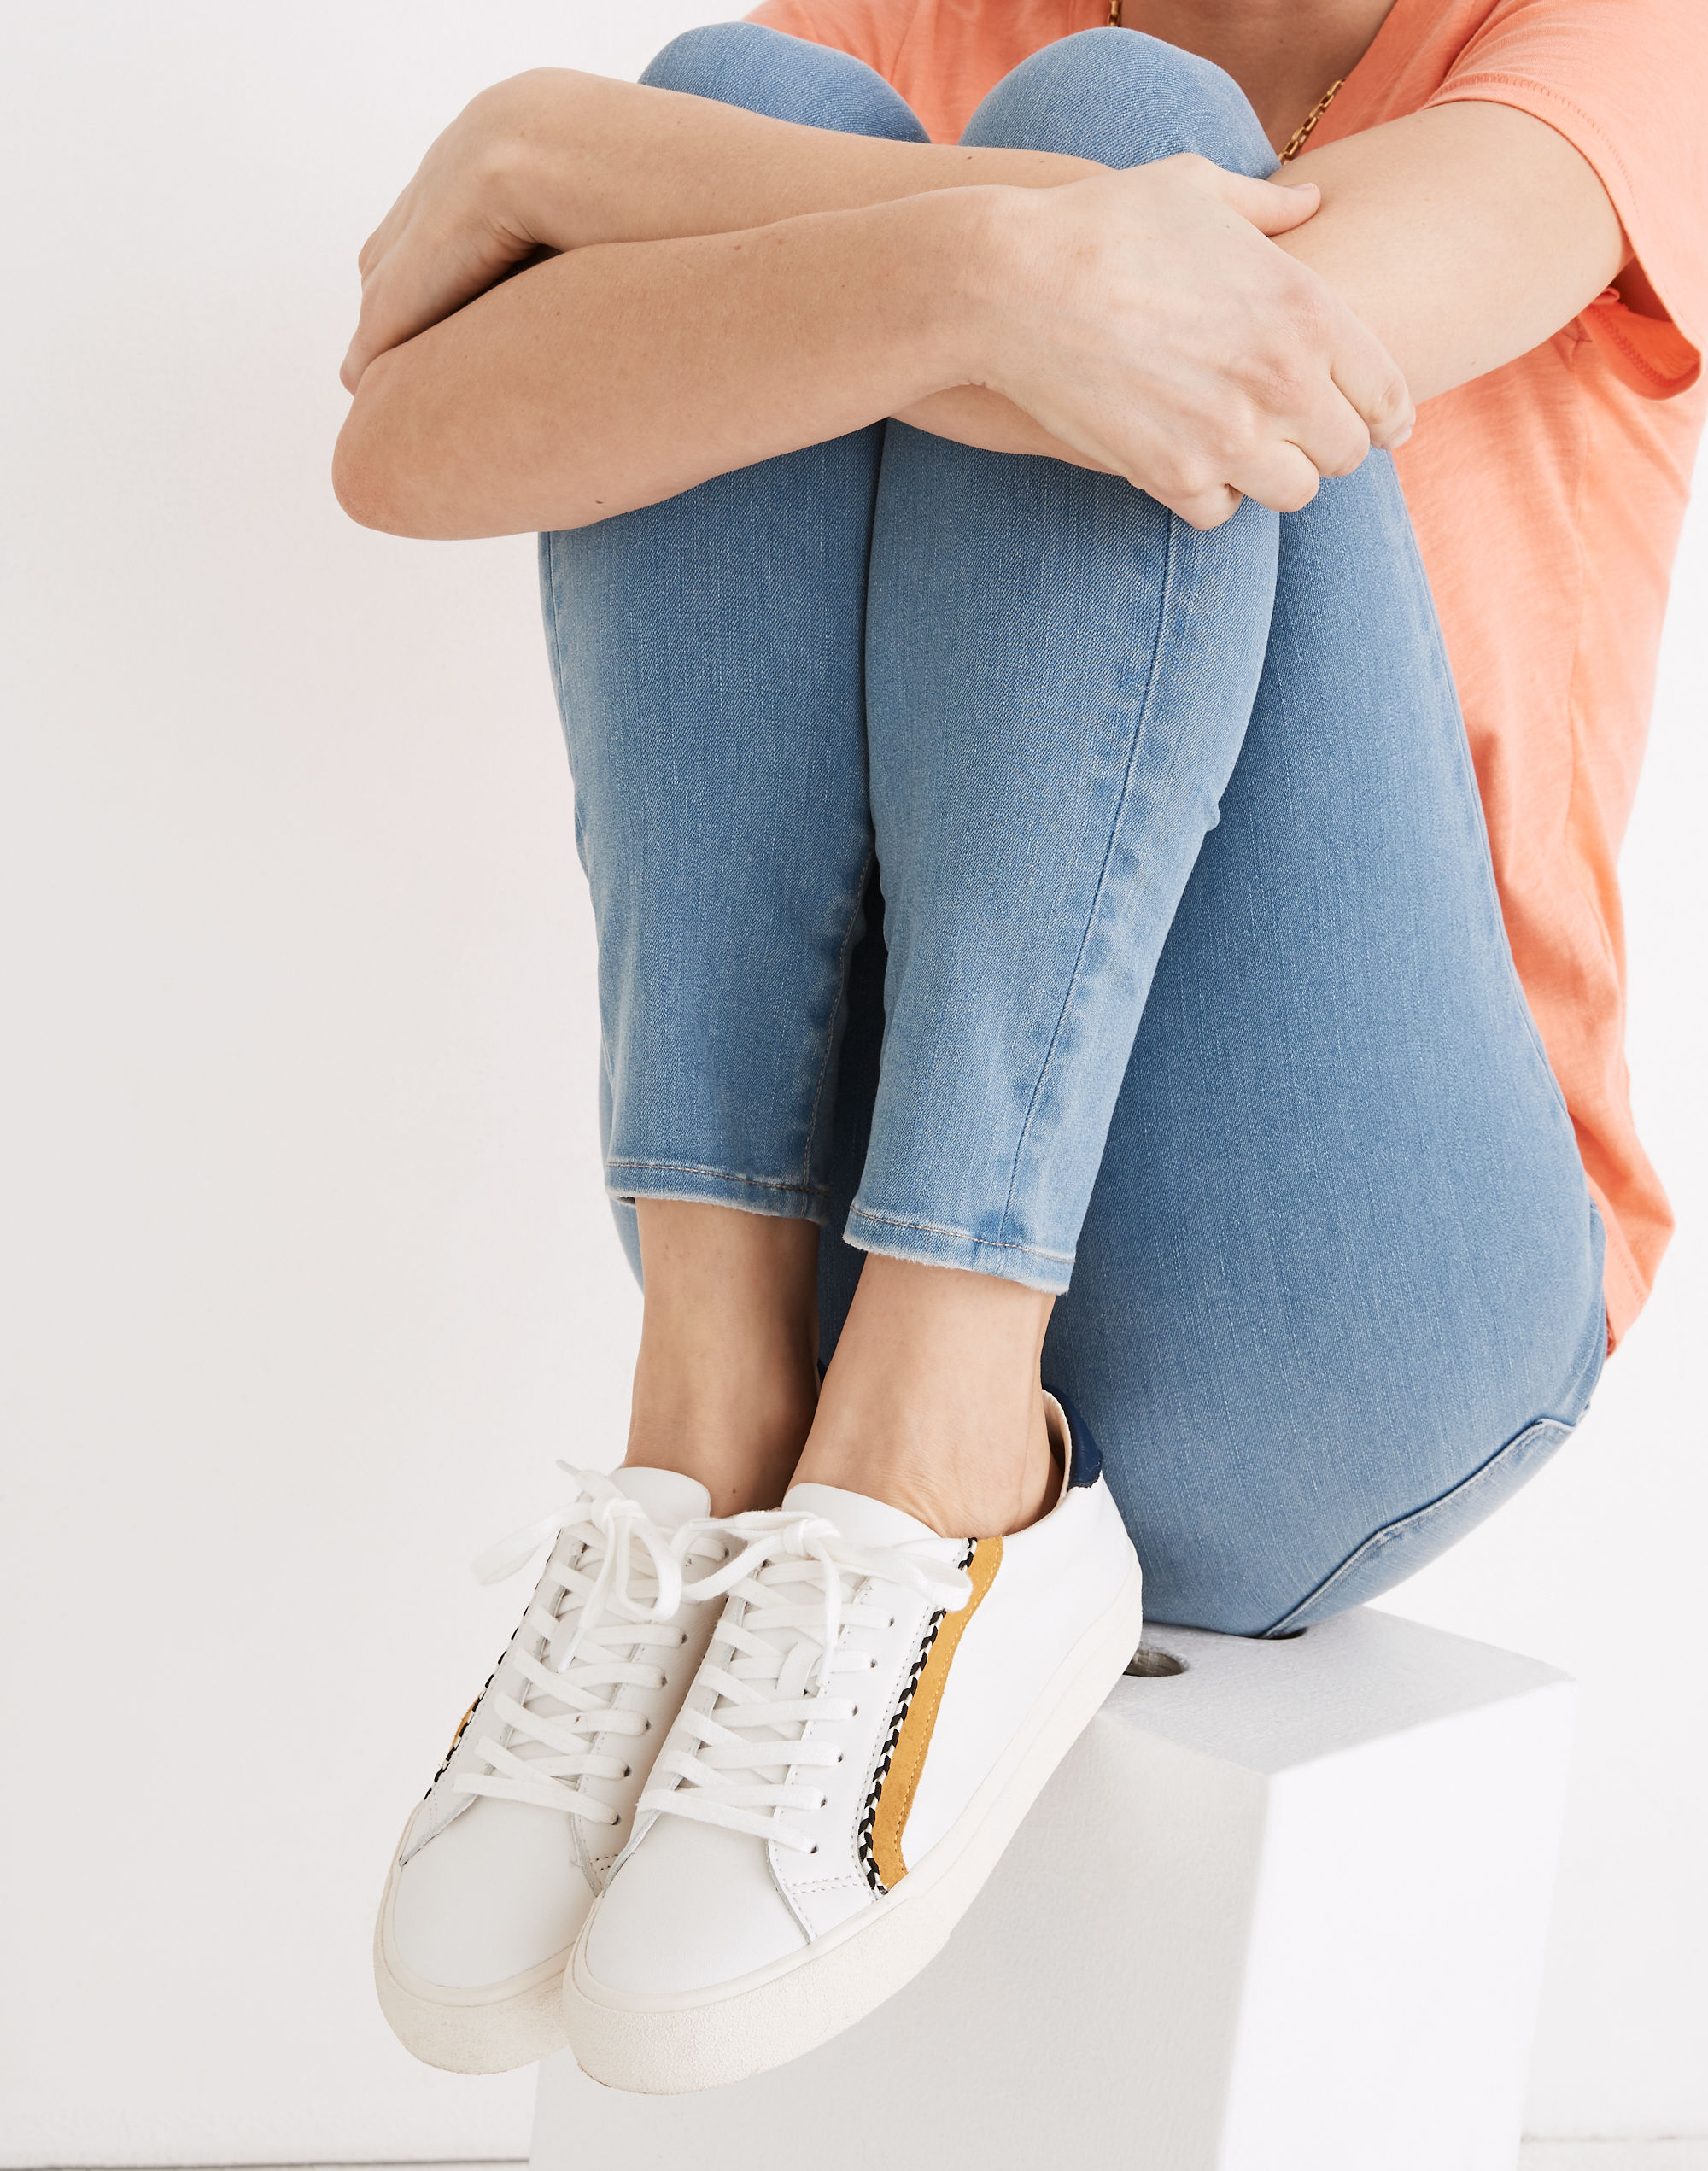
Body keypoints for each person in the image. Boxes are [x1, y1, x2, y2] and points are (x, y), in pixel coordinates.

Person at [336, 0, 1705, 2093]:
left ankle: (947, 1447)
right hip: (833, 1239)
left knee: (1110, 140)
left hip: (1361, 1270)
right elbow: (411, 441)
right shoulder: (905, 23)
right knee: (749, 100)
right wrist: (987, 275)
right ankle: (709, 1429)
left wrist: (560, 169)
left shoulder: (1621, 43)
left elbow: (1245, 333)